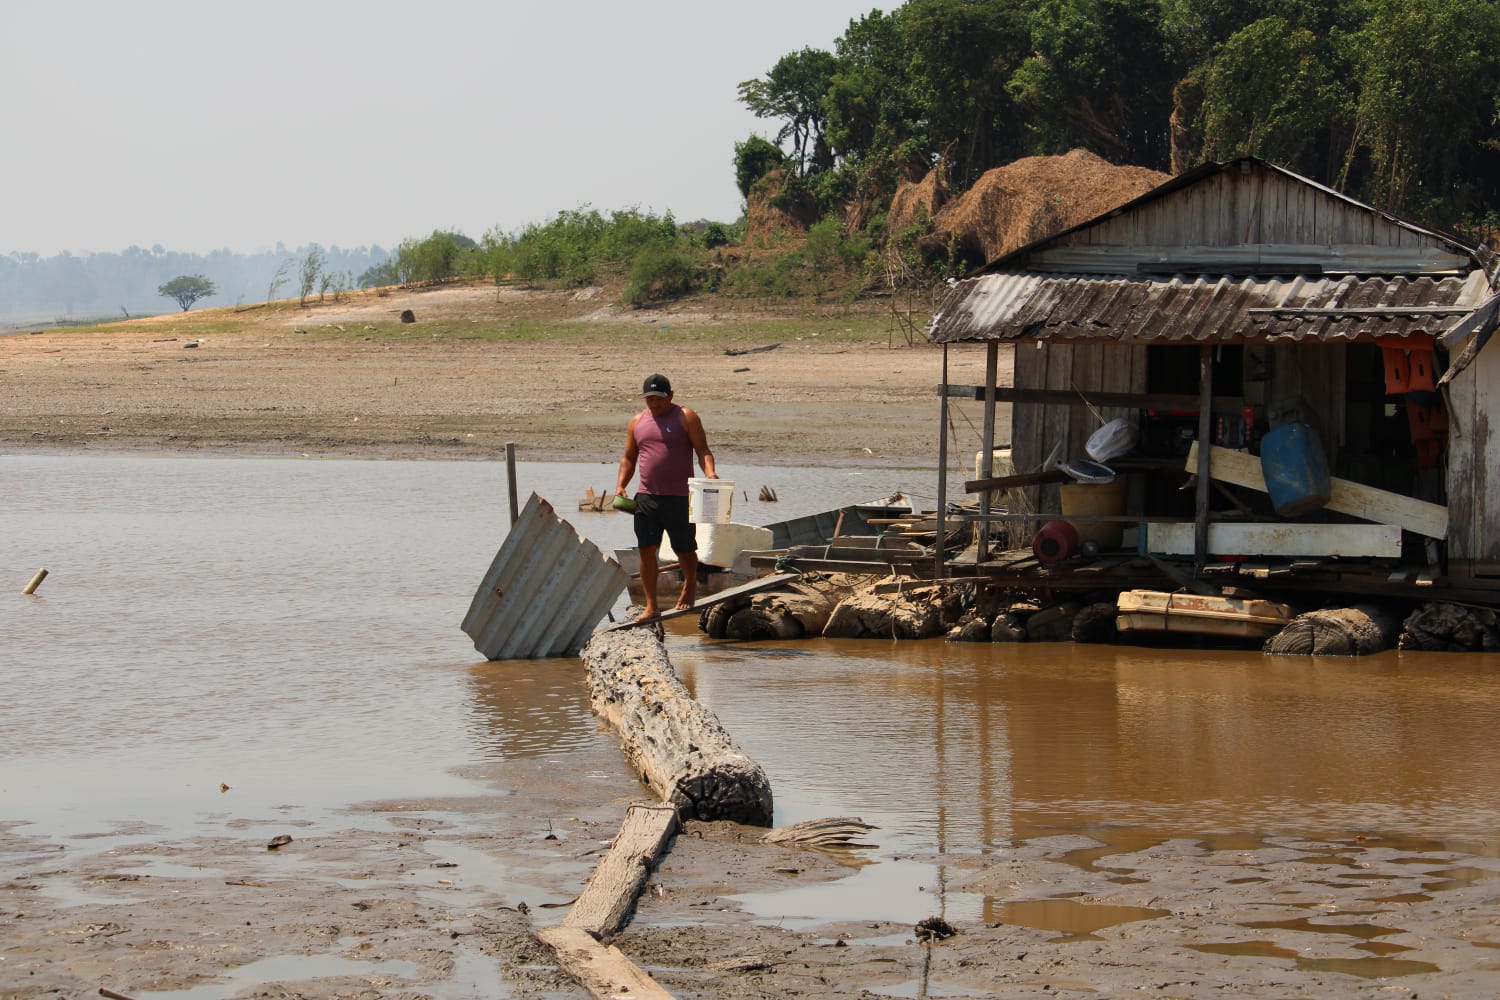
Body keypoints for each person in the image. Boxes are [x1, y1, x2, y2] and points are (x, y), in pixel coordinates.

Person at [616, 373, 717, 621]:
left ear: (671, 395)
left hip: (680, 497)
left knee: (684, 549)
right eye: (649, 399)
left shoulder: (686, 416)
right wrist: (621, 485)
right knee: (647, 550)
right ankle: (651, 606)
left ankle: (690, 583)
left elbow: (702, 449)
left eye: (659, 399)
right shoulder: (637, 422)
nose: (654, 404)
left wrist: (711, 473)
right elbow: (629, 457)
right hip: (647, 497)